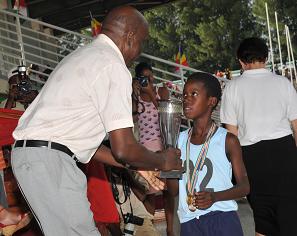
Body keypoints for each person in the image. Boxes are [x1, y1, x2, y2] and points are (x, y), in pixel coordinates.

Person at [11, 6, 182, 236]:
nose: (139, 51)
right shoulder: (113, 65)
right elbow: (124, 148)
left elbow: (85, 145)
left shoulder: (84, 56)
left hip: (35, 156)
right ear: (130, 37)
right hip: (50, 160)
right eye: (141, 42)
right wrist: (162, 161)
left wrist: (137, 164)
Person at [220, 37, 297, 236]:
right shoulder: (283, 83)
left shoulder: (232, 87)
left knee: (262, 218)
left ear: (240, 61)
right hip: (285, 155)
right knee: (290, 215)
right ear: (266, 57)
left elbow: (231, 134)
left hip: (251, 158)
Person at [167, 72, 250, 236]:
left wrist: (215, 197)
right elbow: (173, 191)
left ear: (211, 101)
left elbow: (245, 187)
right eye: (184, 94)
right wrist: (168, 167)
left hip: (222, 219)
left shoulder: (227, 140)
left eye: (194, 94)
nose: (186, 99)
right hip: (189, 222)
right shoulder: (179, 140)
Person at [132, 62, 176, 236]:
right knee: (151, 190)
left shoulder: (161, 91)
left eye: (151, 77)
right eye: (144, 78)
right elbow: (132, 118)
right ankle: (149, 228)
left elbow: (167, 115)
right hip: (146, 148)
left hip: (164, 144)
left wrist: (151, 93)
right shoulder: (134, 96)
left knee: (168, 191)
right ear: (137, 80)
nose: (149, 81)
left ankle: (171, 230)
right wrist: (135, 93)